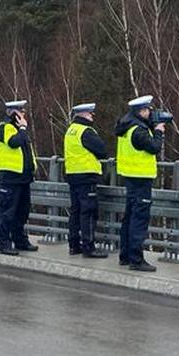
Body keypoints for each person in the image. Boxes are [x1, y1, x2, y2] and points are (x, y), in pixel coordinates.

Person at [115, 95, 165, 271]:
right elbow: (154, 147)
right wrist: (158, 131)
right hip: (141, 178)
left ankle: (125, 255)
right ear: (141, 111)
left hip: (130, 176)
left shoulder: (127, 126)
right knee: (139, 219)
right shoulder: (138, 130)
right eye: (148, 110)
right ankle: (136, 259)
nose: (150, 113)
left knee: (129, 217)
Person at [64, 103, 110, 258]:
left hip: (72, 175)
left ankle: (74, 245)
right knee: (88, 212)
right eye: (91, 113)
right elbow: (102, 150)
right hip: (86, 176)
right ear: (83, 114)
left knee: (75, 211)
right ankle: (88, 247)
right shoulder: (86, 131)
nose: (93, 116)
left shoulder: (71, 130)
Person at [0, 100, 38, 255]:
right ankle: (4, 243)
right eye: (22, 112)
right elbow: (14, 143)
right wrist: (23, 128)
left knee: (22, 212)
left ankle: (20, 240)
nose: (24, 115)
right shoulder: (5, 127)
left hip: (23, 177)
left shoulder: (18, 129)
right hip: (10, 177)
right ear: (14, 114)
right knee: (7, 212)